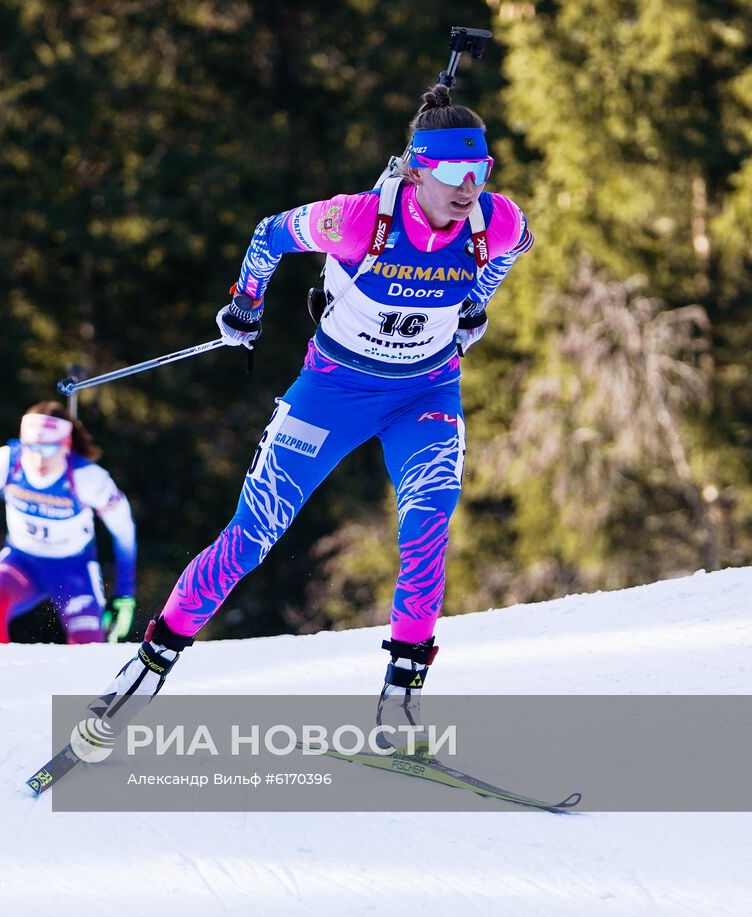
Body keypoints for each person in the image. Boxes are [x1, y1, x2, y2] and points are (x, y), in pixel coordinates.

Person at [73, 84, 534, 756]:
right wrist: (245, 306)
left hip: (425, 391)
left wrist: (474, 307)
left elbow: (513, 250)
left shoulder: (497, 221)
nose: (470, 187)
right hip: (332, 390)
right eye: (455, 170)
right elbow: (269, 234)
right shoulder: (359, 220)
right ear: (418, 169)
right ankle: (147, 665)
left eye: (481, 170)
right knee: (253, 532)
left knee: (428, 528)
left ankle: (400, 699)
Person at [0, 402, 137, 645]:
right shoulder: (7, 462)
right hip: (22, 561)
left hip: (73, 570)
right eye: (31, 447)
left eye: (48, 448)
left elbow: (124, 533)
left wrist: (125, 595)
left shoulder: (88, 478)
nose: (38, 458)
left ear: (66, 445)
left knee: (88, 645)